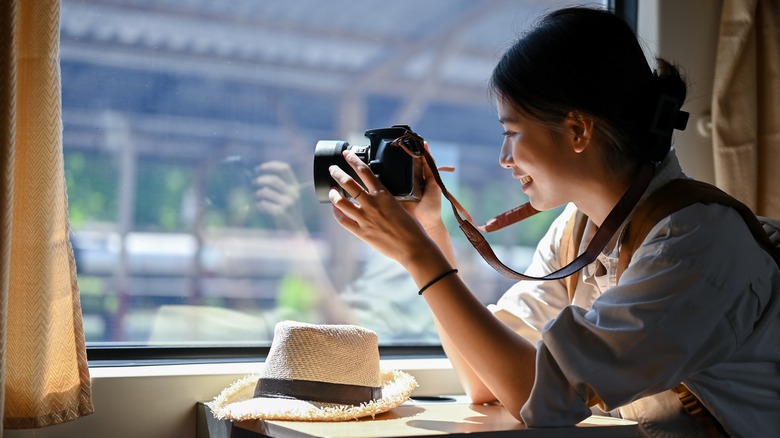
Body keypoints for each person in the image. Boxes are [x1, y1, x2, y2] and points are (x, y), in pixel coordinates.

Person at [325, 6, 780, 437]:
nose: (504, 158)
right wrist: (431, 233)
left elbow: (538, 396)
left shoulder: (696, 243)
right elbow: (487, 382)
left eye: (512, 132)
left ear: (579, 130)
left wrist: (419, 258)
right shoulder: (578, 232)